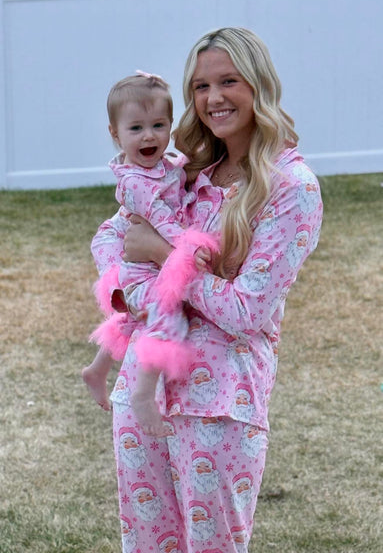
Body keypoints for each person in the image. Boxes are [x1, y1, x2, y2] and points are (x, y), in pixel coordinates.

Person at [90, 27, 323, 553]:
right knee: (146, 545)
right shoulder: (190, 172)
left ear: (258, 84)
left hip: (219, 402)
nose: (214, 98)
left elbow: (245, 311)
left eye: (228, 81)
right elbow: (113, 235)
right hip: (143, 389)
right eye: (200, 86)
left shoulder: (291, 187)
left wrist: (159, 256)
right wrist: (124, 292)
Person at [82, 72, 218, 435]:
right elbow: (162, 222)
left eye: (158, 125)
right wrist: (187, 247)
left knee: (132, 316)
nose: (149, 136)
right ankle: (144, 394)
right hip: (139, 269)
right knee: (166, 316)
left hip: (144, 262)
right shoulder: (134, 183)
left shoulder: (162, 168)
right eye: (136, 128)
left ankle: (96, 370)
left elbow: (185, 178)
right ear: (115, 134)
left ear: (170, 126)